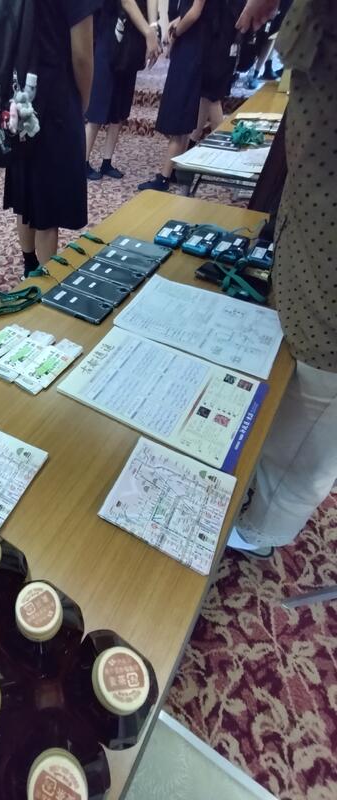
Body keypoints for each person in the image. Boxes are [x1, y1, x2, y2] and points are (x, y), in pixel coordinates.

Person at [229, 0, 337, 557]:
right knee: (291, 349)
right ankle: (262, 475)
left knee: (317, 396)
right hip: (314, 210)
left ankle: (263, 528)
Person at [3, 0, 101, 275]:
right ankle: (44, 284)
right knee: (48, 203)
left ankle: (29, 267)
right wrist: (82, 103)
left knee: (25, 189)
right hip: (56, 98)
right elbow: (82, 56)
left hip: (18, 94)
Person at [85, 0, 162, 181]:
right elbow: (127, 2)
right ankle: (82, 160)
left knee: (121, 106)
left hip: (133, 36)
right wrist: (148, 32)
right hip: (111, 28)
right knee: (98, 104)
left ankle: (107, 161)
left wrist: (153, 26)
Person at [138, 0, 209, 192]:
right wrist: (177, 22)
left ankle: (164, 177)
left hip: (191, 47)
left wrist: (176, 32)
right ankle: (176, 168)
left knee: (179, 113)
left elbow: (195, 12)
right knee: (183, 113)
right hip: (193, 46)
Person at [190, 0, 245, 143]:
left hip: (218, 37)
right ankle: (193, 139)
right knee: (207, 95)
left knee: (212, 96)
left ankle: (221, 144)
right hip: (225, 36)